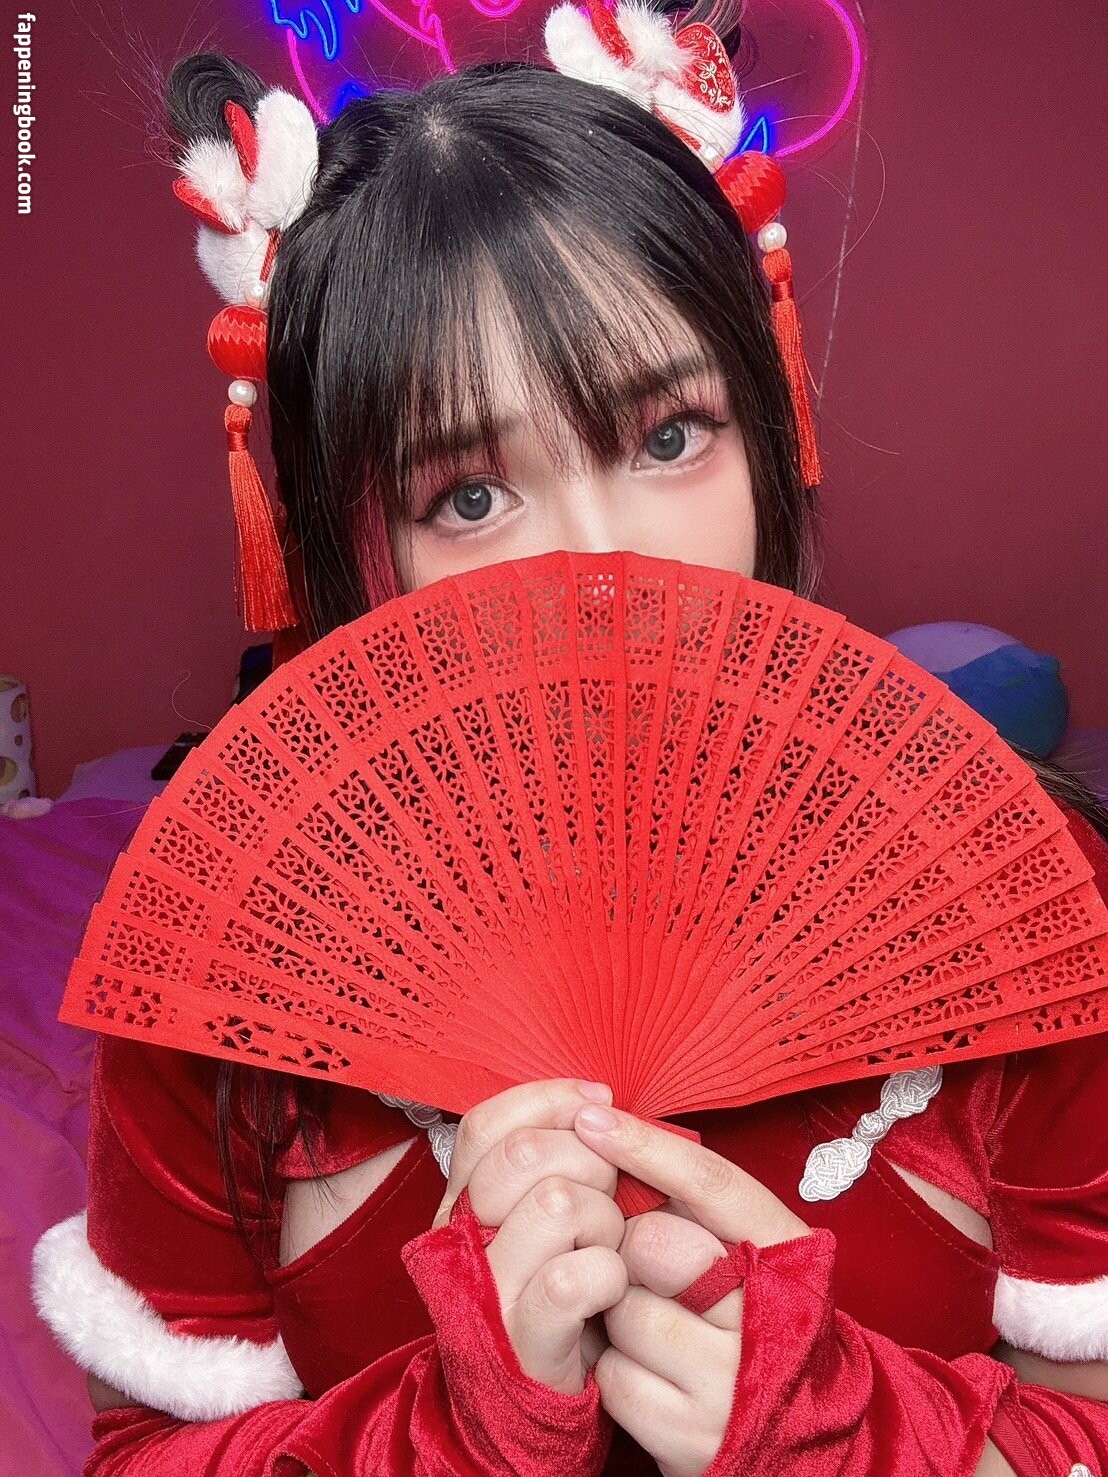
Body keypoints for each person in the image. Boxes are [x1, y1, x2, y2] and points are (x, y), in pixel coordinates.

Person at [31, 3, 1108, 1472]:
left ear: (765, 418)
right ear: (354, 555)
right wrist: (452, 1432)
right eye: (470, 496)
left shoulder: (1013, 884)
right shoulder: (224, 982)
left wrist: (852, 1431)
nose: (607, 565)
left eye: (669, 436)